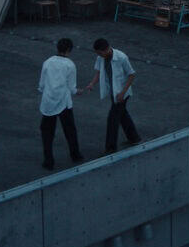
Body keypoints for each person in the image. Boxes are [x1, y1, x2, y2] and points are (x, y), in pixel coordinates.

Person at [84, 38, 141, 153]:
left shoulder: (121, 57)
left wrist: (123, 93)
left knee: (113, 119)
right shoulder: (101, 57)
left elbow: (131, 75)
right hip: (114, 92)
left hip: (122, 93)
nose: (99, 55)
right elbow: (99, 72)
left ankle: (110, 148)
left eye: (100, 53)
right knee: (122, 115)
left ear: (106, 49)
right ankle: (134, 138)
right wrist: (92, 83)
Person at [39, 38, 84, 169]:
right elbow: (71, 87)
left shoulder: (47, 62)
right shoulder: (70, 65)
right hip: (63, 102)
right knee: (70, 130)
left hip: (48, 101)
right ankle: (75, 155)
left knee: (47, 133)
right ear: (69, 50)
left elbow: (42, 84)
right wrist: (77, 91)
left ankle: (48, 161)